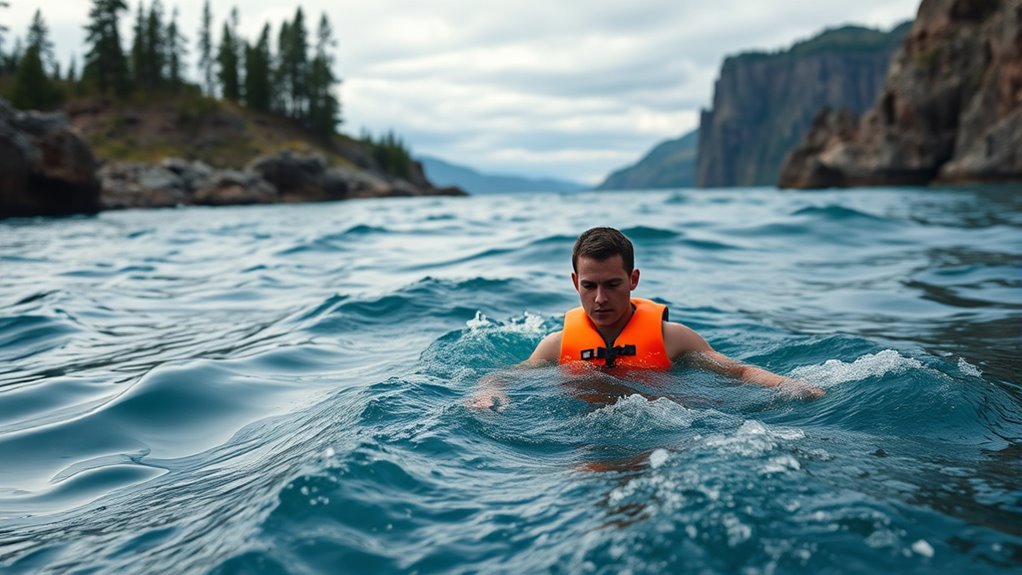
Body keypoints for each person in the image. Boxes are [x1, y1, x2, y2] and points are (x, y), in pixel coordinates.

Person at [467, 226, 824, 409]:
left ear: (633, 280)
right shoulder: (556, 345)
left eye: (613, 284)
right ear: (576, 283)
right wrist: (489, 392)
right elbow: (502, 376)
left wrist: (785, 385)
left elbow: (739, 371)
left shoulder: (675, 338)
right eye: (589, 286)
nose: (601, 298)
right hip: (580, 440)